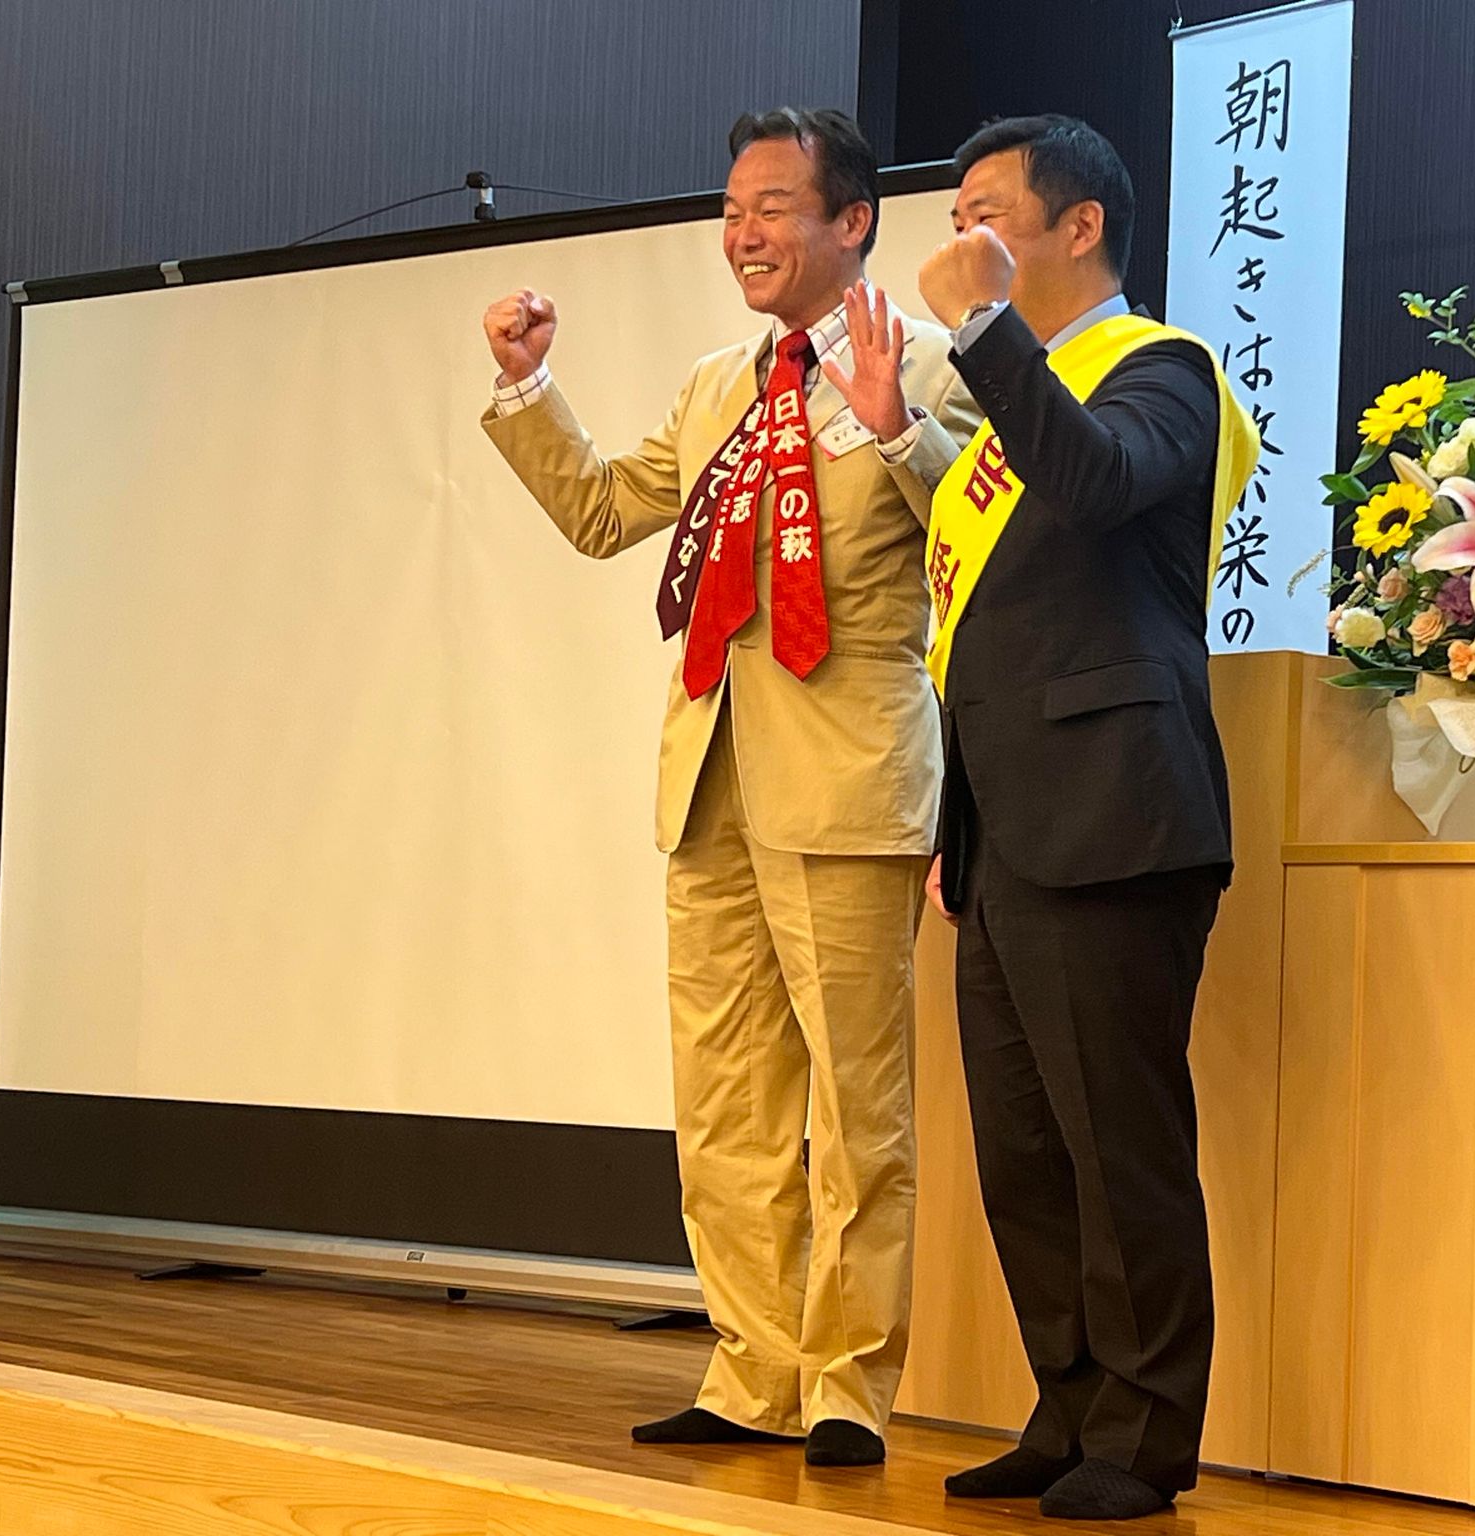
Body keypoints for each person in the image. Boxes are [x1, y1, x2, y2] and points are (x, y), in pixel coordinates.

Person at [478, 106, 980, 1468]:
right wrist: (528, 387)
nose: (743, 234)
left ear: (853, 221)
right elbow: (602, 512)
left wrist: (895, 431)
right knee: (729, 1105)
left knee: (857, 1109)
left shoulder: (930, 364)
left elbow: (982, 533)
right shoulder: (719, 385)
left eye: (772, 207)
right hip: (711, 783)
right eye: (732, 209)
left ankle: (847, 1387)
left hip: (852, 778)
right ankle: (750, 1371)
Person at [918, 115, 1257, 1520]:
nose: (962, 238)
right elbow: (982, 634)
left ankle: (1146, 1434)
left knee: (1121, 1148)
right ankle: (1065, 1410)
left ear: (1080, 226)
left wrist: (983, 332)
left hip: (1117, 816)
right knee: (1024, 1156)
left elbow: (1100, 483)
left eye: (990, 213)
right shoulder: (1017, 403)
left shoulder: (1163, 369)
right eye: (955, 214)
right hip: (1003, 831)